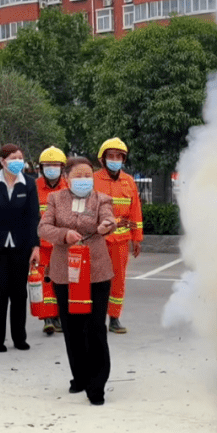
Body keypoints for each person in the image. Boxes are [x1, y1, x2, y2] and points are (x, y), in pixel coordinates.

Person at [38, 157, 117, 405]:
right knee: (72, 328)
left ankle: (97, 385)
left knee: (95, 327)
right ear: (67, 178)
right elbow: (43, 228)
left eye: (87, 175)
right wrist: (64, 234)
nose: (84, 179)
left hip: (96, 271)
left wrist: (107, 225)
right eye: (78, 175)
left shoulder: (101, 198)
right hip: (66, 272)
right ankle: (79, 377)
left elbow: (109, 219)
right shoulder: (55, 199)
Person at [0, 144, 40, 352]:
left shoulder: (28, 184)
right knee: (0, 291)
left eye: (20, 157)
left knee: (19, 293)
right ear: (2, 161)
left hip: (21, 246)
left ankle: (19, 337)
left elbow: (33, 218)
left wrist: (35, 246)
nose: (17, 161)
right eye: (13, 158)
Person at [93, 137, 143, 334]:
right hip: (97, 241)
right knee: (95, 279)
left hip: (120, 242)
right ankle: (96, 318)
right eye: (111, 156)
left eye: (119, 156)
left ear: (123, 159)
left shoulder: (129, 181)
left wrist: (136, 238)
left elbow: (135, 211)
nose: (115, 159)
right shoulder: (93, 180)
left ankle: (114, 318)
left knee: (118, 280)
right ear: (103, 159)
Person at [36, 146, 68, 336]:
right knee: (45, 281)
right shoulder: (34, 188)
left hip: (63, 245)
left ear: (62, 167)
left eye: (55, 165)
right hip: (41, 246)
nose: (51, 168)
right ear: (41, 167)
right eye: (48, 165)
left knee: (63, 282)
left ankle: (59, 317)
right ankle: (48, 318)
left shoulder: (70, 187)